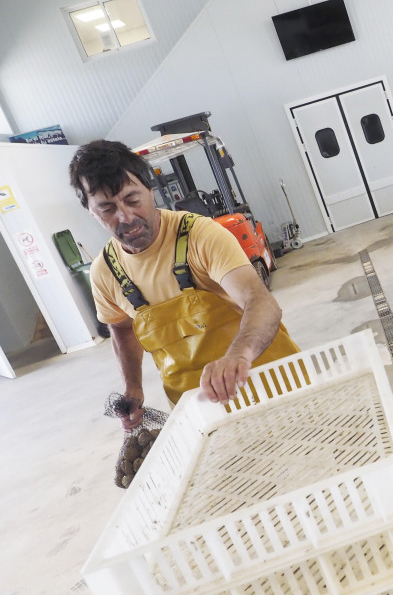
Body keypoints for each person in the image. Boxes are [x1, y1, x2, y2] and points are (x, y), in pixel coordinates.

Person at [69, 140, 301, 430]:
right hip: (202, 412)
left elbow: (261, 301)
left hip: (277, 387)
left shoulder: (200, 235)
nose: (125, 217)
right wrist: (133, 388)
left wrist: (238, 355)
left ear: (150, 191)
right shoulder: (105, 272)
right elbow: (122, 327)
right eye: (107, 208)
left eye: (132, 199)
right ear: (91, 211)